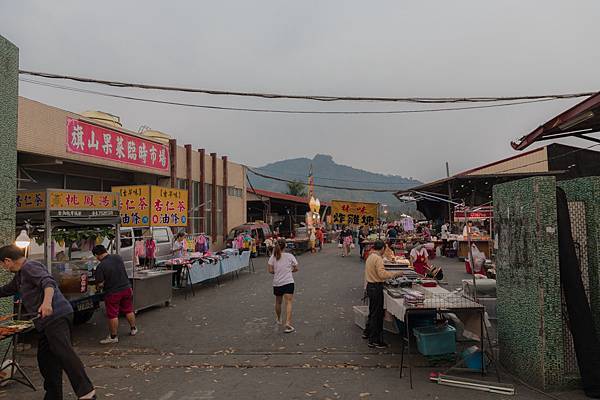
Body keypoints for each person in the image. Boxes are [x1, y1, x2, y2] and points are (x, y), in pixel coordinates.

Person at [0, 245, 96, 400]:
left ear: (8, 260)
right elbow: (6, 290)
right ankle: (53, 395)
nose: (3, 268)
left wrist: (46, 303)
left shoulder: (30, 266)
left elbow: (48, 282)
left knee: (64, 352)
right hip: (45, 322)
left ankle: (87, 392)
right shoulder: (19, 275)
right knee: (46, 360)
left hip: (56, 315)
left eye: (2, 264)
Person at [92, 245, 137, 344]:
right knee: (128, 310)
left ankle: (113, 337)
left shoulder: (101, 266)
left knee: (113, 314)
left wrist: (98, 287)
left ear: (96, 255)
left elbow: (100, 283)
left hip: (113, 292)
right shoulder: (118, 257)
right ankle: (133, 329)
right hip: (127, 288)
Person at [362, 240, 402, 348]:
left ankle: (368, 332)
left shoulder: (370, 256)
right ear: (382, 248)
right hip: (376, 287)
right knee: (377, 315)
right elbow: (382, 274)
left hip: (370, 286)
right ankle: (375, 340)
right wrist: (395, 274)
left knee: (373, 312)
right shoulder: (378, 258)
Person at [268, 238, 298, 333]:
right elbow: (296, 267)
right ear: (285, 246)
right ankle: (288, 323)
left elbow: (270, 270)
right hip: (288, 282)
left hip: (277, 283)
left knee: (278, 302)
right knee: (288, 302)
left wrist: (277, 272)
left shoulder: (273, 256)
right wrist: (290, 270)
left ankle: (279, 318)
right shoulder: (290, 256)